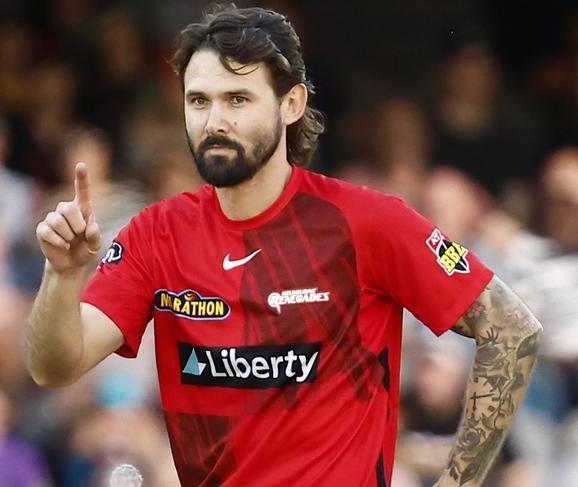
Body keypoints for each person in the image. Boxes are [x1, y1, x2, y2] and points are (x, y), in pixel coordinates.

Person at [27, 5, 542, 486]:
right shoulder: (155, 233)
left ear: (291, 103)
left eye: (238, 99)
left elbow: (511, 328)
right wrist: (62, 274)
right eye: (198, 100)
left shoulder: (366, 221)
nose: (215, 121)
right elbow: (54, 366)